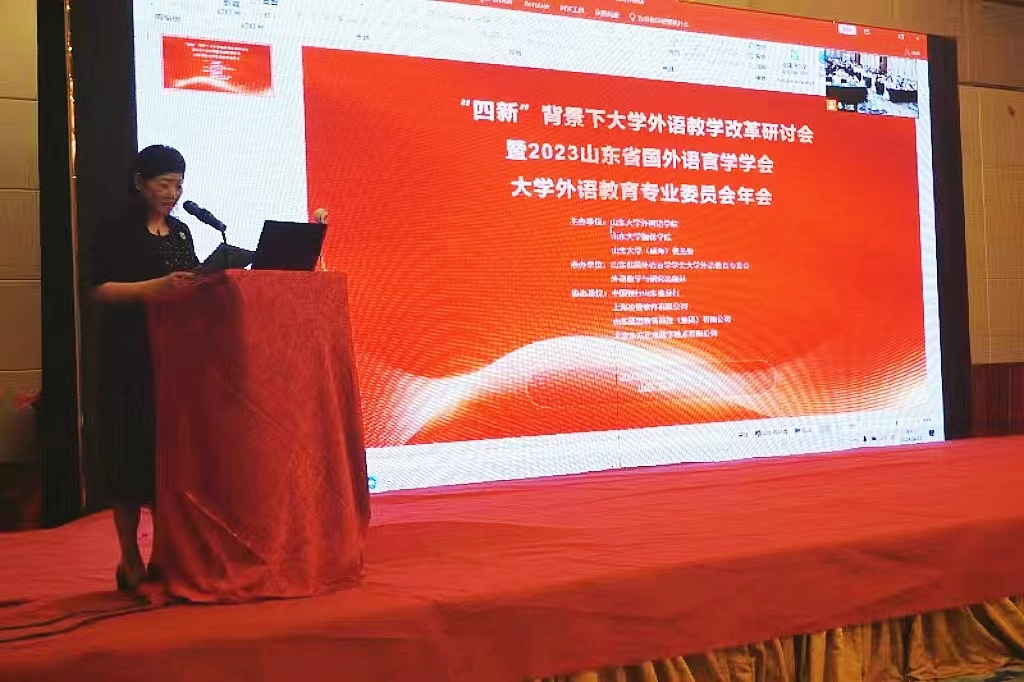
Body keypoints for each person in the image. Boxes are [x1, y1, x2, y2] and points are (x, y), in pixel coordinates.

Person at [90, 145, 201, 592]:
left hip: (174, 360)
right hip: (127, 357)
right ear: (139, 182)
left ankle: (165, 554)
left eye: (179, 184)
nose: (173, 193)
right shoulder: (115, 229)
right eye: (164, 183)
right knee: (127, 455)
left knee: (167, 459)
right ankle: (129, 557)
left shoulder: (182, 232)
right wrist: (154, 288)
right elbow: (98, 290)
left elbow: (192, 286)